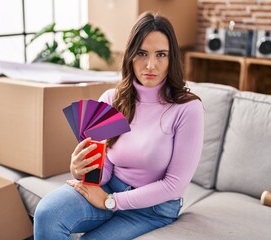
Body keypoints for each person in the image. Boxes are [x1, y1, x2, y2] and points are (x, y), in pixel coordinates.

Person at [34, 11, 204, 240]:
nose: (150, 65)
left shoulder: (187, 108)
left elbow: (174, 185)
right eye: (142, 53)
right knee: (47, 214)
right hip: (110, 187)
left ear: (172, 58)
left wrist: (111, 202)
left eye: (161, 54)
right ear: (131, 55)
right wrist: (79, 169)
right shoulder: (111, 99)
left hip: (152, 210)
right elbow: (103, 173)